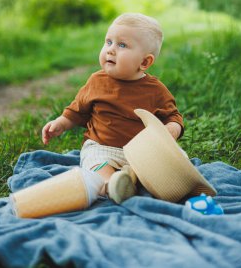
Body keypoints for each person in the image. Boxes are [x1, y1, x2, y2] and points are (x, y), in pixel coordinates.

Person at [42, 13, 184, 204]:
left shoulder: (155, 90)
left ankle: (138, 176)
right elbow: (77, 111)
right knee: (95, 164)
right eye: (108, 42)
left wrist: (172, 129)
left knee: (175, 162)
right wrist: (60, 123)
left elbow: (172, 116)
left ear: (144, 62)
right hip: (102, 147)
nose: (111, 50)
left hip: (142, 151)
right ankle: (113, 184)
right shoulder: (96, 81)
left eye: (122, 45)